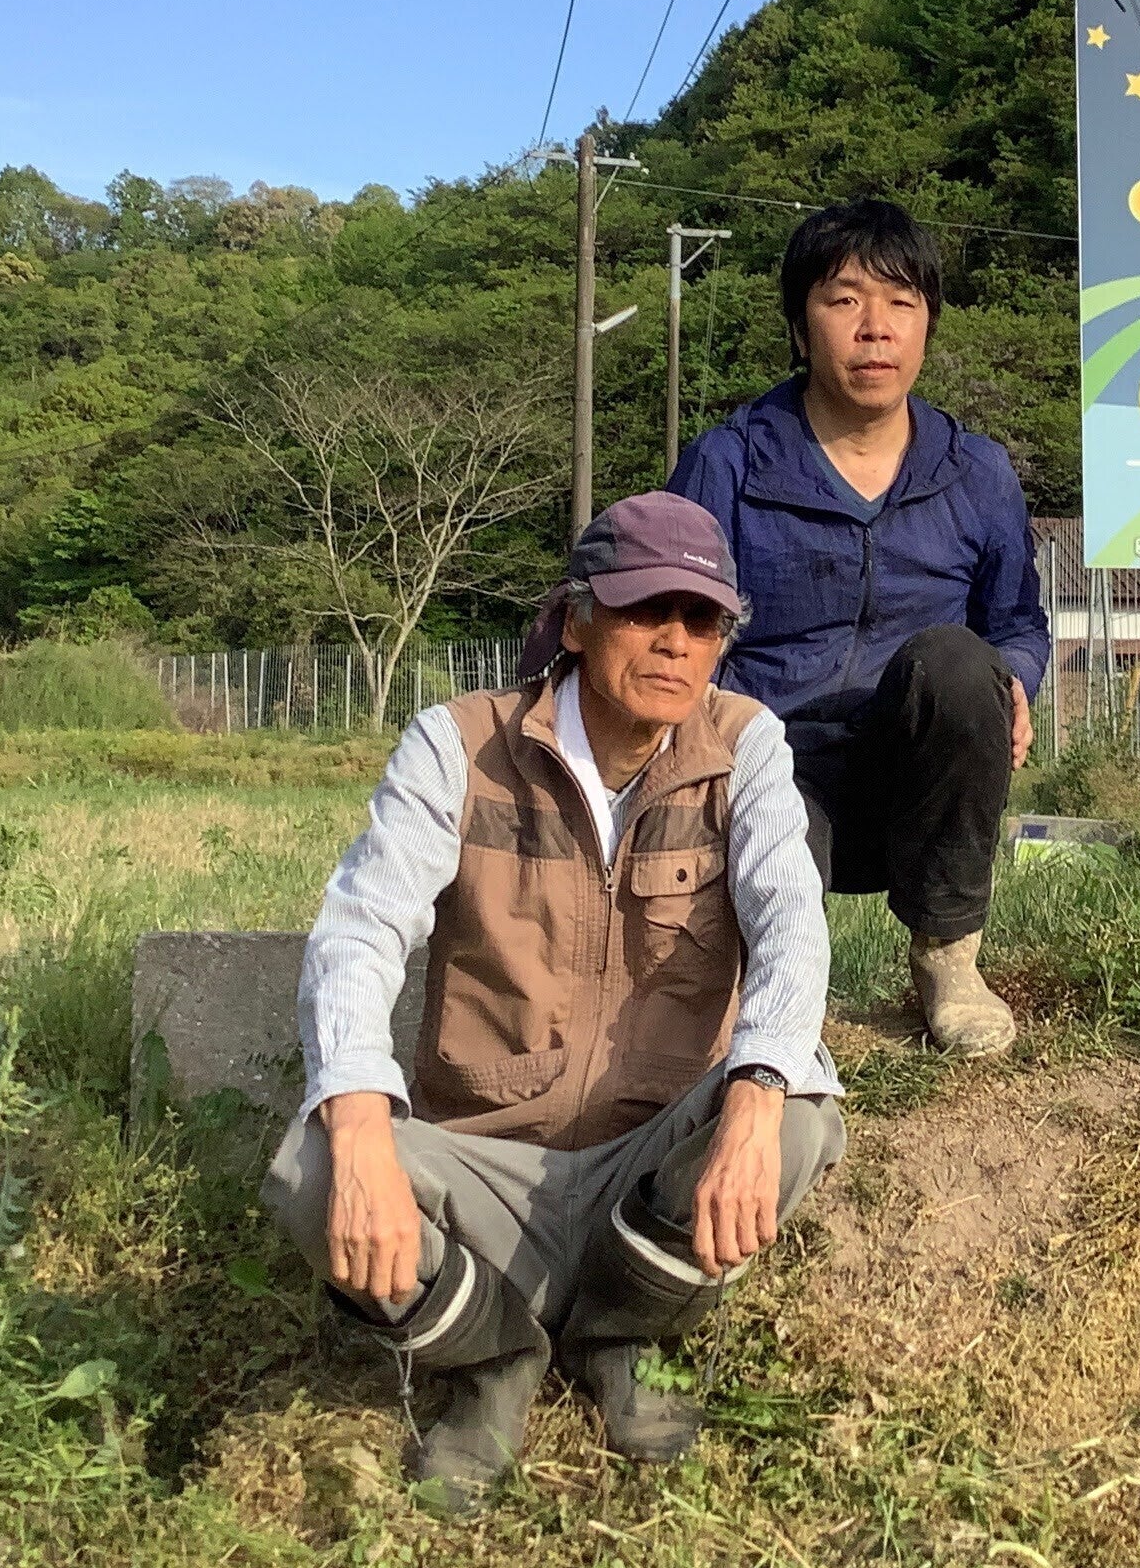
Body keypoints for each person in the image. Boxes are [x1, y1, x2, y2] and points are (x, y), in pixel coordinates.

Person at [260, 492, 839, 1513]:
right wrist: (356, 1120)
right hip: (486, 1159)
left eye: (702, 618)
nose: (675, 640)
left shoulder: (744, 747)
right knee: (312, 1170)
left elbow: (790, 919)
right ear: (576, 619)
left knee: (795, 1115)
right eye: (644, 608)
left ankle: (621, 1331)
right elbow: (360, 928)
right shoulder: (457, 745)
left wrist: (752, 1098)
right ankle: (492, 1358)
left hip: (646, 1161)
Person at [670, 201, 1050, 1057]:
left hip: (915, 767)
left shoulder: (977, 471)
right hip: (772, 766)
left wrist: (1019, 679)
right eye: (843, 300)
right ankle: (764, 981)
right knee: (753, 992)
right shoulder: (728, 461)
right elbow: (678, 622)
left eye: (901, 302)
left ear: (928, 324)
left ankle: (948, 956)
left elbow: (1018, 621)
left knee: (964, 662)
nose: (874, 327)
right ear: (800, 324)